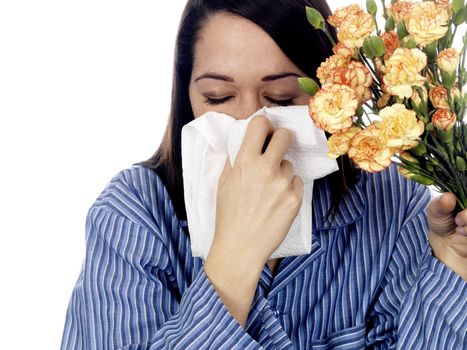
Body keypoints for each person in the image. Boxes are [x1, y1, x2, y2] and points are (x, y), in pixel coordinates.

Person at [60, 0, 467, 349]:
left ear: (329, 96)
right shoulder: (133, 214)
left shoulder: (395, 210)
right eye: (218, 98)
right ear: (187, 96)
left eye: (279, 99)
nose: (252, 125)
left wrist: (452, 265)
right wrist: (235, 254)